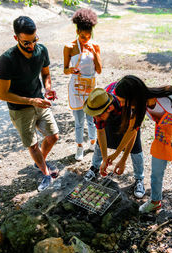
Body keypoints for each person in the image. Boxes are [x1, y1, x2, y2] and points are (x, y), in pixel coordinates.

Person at [113, 75, 172, 219]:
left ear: (134, 97)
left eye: (123, 101)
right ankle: (155, 201)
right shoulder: (140, 107)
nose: (121, 105)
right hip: (164, 135)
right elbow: (131, 131)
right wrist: (118, 157)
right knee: (156, 172)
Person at [0, 16, 59, 192]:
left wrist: (47, 89)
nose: (31, 46)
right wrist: (31, 100)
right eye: (26, 43)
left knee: (53, 136)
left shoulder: (41, 50)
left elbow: (46, 74)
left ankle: (39, 162)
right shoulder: (7, 60)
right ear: (16, 38)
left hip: (39, 101)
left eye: (34, 40)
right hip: (20, 108)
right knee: (32, 145)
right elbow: (2, 94)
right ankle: (46, 175)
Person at [83, 85, 145, 199]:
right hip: (111, 117)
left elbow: (132, 134)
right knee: (99, 144)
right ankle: (95, 167)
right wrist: (105, 158)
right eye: (95, 116)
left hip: (127, 118)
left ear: (109, 108)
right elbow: (100, 132)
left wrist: (122, 159)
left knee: (136, 149)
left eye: (99, 116)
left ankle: (139, 179)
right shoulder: (98, 106)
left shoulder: (129, 105)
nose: (96, 120)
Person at [63, 8, 102, 161]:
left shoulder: (95, 46)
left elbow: (98, 70)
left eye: (88, 36)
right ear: (77, 31)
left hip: (91, 87)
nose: (85, 39)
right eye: (82, 36)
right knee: (79, 120)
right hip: (77, 87)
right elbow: (65, 70)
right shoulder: (69, 47)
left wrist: (96, 53)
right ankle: (79, 146)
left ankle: (93, 142)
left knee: (91, 118)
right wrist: (71, 69)